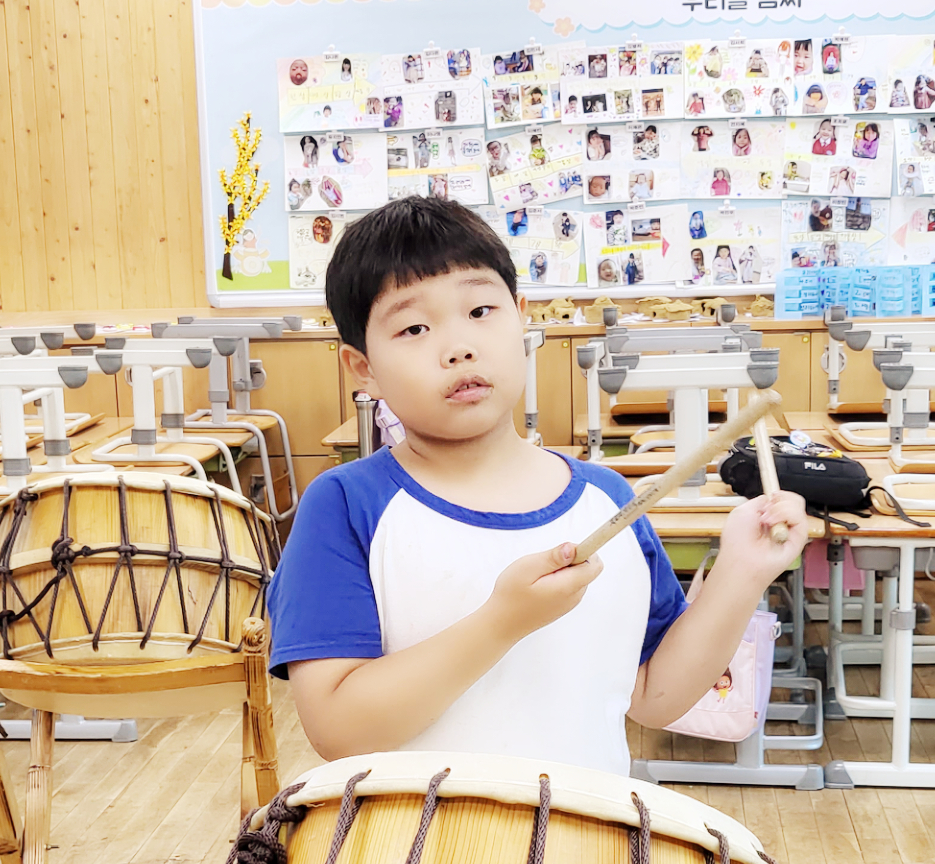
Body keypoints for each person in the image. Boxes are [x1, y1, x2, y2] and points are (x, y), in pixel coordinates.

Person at [268, 198, 806, 774]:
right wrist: (502, 622)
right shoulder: (345, 505)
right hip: (416, 832)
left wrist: (742, 571)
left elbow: (655, 696)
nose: (459, 347)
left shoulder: (606, 500)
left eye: (480, 310)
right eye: (414, 327)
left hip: (586, 827)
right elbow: (337, 730)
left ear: (520, 317)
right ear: (364, 369)